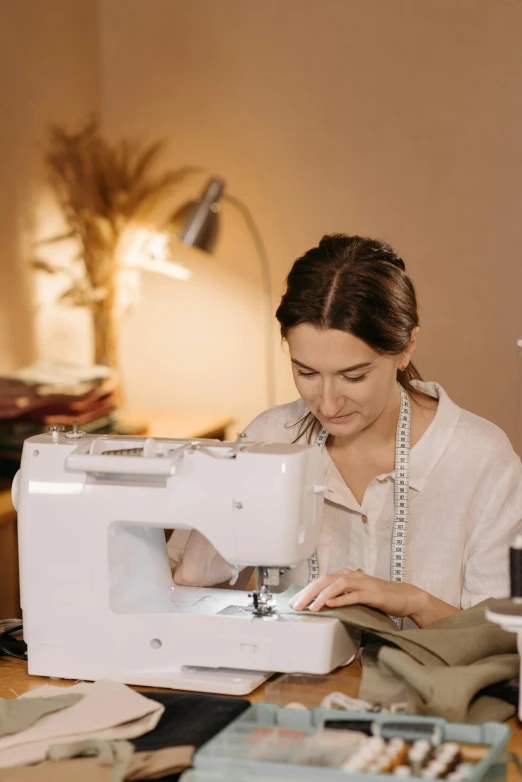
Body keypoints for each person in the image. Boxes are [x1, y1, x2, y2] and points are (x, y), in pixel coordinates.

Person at [172, 234, 522, 628]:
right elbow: (185, 583)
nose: (327, 403)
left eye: (352, 376)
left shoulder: (482, 461)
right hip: (301, 688)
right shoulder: (270, 438)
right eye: (306, 373)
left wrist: (412, 601)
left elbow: (503, 643)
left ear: (406, 348)